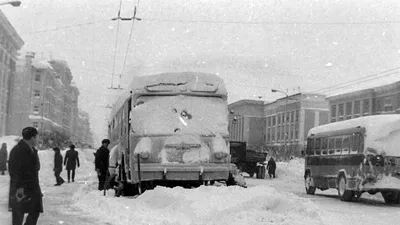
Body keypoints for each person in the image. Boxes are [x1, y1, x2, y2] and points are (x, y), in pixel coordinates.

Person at [8, 127, 43, 225]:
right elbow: (14, 172)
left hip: (32, 188)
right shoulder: (18, 150)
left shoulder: (32, 150)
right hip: (21, 189)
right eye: (37, 137)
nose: (37, 140)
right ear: (32, 137)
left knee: (35, 211)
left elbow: (35, 168)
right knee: (18, 217)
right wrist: (20, 190)